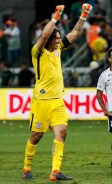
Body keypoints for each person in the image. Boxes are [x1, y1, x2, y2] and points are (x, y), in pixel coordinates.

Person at [22, 4, 93, 180]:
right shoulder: (37, 52)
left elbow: (75, 34)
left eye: (60, 38)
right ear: (49, 40)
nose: (59, 40)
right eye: (57, 38)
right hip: (42, 101)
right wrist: (55, 17)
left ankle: (55, 171)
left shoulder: (59, 50)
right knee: (37, 135)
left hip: (57, 101)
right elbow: (45, 35)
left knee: (61, 133)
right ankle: (26, 168)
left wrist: (83, 15)